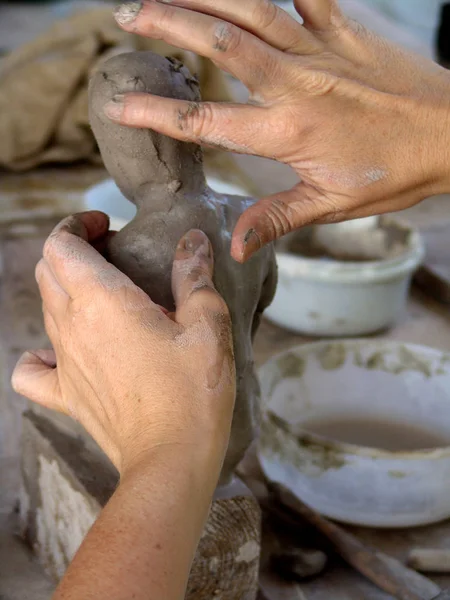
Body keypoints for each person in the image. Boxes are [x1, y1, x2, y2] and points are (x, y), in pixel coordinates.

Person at [12, 1, 450, 598]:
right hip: (242, 422)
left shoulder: (135, 245)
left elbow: (116, 360)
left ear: (147, 146)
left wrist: (159, 448)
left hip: (168, 443)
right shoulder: (253, 215)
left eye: (107, 138)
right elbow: (258, 307)